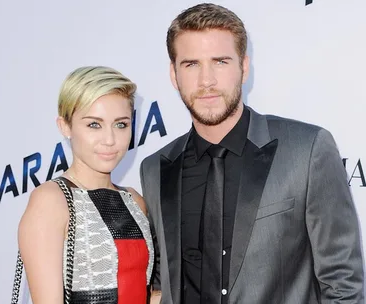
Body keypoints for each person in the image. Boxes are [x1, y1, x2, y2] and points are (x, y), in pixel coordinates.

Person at [139, 3, 364, 304]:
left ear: (244, 68)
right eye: (191, 64)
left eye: (220, 62)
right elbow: (161, 285)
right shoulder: (155, 168)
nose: (206, 81)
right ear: (173, 74)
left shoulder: (307, 149)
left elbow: (343, 285)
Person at [18, 66, 156, 303]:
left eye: (121, 124)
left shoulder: (135, 201)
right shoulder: (53, 200)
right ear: (65, 126)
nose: (110, 139)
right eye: (94, 124)